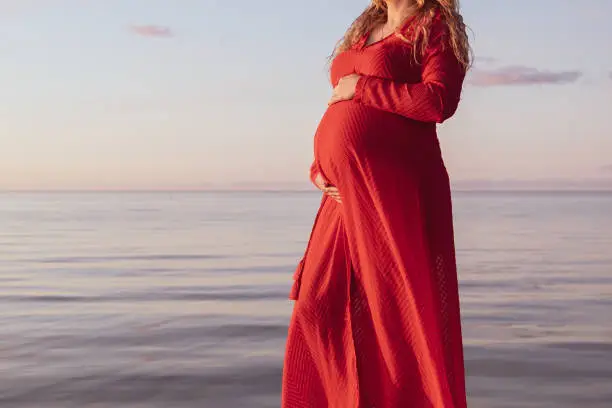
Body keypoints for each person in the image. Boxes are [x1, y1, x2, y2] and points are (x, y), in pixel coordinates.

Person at [281, 0, 471, 407]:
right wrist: (321, 165)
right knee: (316, 306)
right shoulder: (368, 27)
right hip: (344, 195)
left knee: (393, 317)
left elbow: (438, 101)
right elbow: (339, 103)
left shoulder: (434, 28)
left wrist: (363, 88)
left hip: (394, 190)